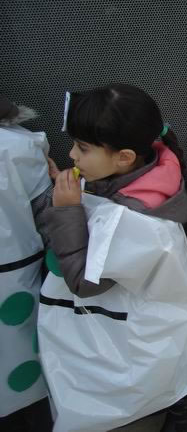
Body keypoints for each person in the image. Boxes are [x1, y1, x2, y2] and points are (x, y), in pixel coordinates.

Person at [36, 84, 187, 432]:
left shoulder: (135, 221)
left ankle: (180, 413)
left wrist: (66, 210)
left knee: (161, 366)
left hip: (147, 319)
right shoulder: (155, 170)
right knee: (177, 358)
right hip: (168, 309)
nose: (72, 155)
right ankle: (181, 408)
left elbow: (83, 281)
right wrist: (68, 189)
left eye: (82, 148)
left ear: (124, 157)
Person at [0, 95, 53, 432]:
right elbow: (47, 216)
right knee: (29, 367)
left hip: (17, 273)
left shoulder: (18, 146)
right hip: (19, 274)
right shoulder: (19, 146)